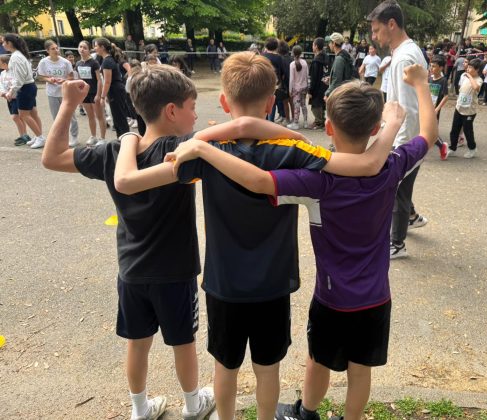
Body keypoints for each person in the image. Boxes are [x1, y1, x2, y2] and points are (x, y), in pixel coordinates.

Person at [114, 52, 404, 420]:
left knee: (225, 367)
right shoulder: (293, 151)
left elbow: (129, 182)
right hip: (273, 283)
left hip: (224, 284)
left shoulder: (205, 152)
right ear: (271, 102)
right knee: (268, 370)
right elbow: (363, 164)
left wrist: (134, 139)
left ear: (224, 102)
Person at [42, 64, 313, 420]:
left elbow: (59, 160)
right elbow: (247, 132)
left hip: (162, 276)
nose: (196, 115)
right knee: (220, 354)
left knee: (166, 351)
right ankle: (196, 404)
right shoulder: (195, 149)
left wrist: (75, 109)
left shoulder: (139, 152)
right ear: (172, 110)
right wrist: (286, 135)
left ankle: (145, 408)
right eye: (192, 107)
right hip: (214, 276)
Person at [369, 0, 428, 259]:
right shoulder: (405, 52)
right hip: (409, 138)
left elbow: (408, 109)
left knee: (395, 191)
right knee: (403, 189)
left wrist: (399, 151)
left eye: (376, 30)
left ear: (391, 24)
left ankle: (397, 243)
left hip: (405, 140)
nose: (374, 36)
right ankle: (411, 217)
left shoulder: (404, 56)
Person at [2, 33, 44, 147]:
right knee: (33, 113)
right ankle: (38, 136)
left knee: (23, 115)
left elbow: (19, 79)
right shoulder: (19, 54)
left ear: (9, 43)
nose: (3, 44)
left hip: (25, 88)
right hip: (29, 86)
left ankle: (40, 137)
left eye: (4, 42)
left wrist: (11, 91)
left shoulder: (15, 57)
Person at [38, 40, 79, 148]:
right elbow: (41, 77)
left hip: (65, 92)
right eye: (53, 49)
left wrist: (64, 80)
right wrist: (49, 79)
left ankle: (74, 136)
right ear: (47, 51)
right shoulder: (43, 62)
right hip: (52, 93)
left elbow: (71, 77)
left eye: (57, 48)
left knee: (71, 115)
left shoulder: (65, 62)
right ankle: (60, 137)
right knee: (56, 117)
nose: (56, 50)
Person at [94, 37, 130, 139]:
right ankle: (121, 138)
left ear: (102, 47)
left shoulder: (107, 61)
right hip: (115, 90)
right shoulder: (107, 59)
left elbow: (107, 81)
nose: (94, 48)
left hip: (115, 90)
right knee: (117, 116)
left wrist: (102, 97)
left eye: (96, 46)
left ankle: (124, 138)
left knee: (119, 116)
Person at [448, 58, 483, 158]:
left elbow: (476, 87)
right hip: (459, 108)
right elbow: (461, 89)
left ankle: (472, 149)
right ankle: (452, 148)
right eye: (468, 67)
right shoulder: (464, 76)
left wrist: (470, 76)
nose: (468, 69)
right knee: (454, 130)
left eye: (471, 67)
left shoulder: (478, 80)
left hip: (469, 111)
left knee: (468, 131)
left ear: (477, 70)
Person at [76, 40, 106, 146]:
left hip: (94, 93)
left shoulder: (94, 63)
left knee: (99, 116)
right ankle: (93, 136)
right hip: (85, 94)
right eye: (80, 47)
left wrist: (98, 94)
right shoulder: (78, 63)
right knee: (90, 116)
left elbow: (99, 80)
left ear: (89, 50)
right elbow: (79, 80)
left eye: (85, 48)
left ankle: (102, 138)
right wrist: (79, 94)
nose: (82, 49)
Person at [0, 54, 30, 146]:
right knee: (18, 118)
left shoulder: (14, 72)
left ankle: (24, 136)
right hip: (9, 99)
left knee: (15, 117)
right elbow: (1, 84)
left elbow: (16, 83)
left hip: (17, 97)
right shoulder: (2, 73)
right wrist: (3, 93)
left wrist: (10, 92)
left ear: (5, 63)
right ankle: (24, 135)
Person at [428, 54, 449, 160]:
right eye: (430, 66)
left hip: (434, 110)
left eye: (434, 66)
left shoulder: (443, 80)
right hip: (425, 108)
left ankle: (442, 146)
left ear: (441, 68)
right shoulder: (429, 79)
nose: (431, 68)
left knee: (431, 132)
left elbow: (446, 96)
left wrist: (437, 109)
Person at [262, 37, 286, 123]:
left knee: (264, 102)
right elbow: (282, 72)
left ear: (266, 46)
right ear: (276, 47)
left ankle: (264, 121)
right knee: (272, 103)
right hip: (275, 84)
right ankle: (270, 122)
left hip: (263, 83)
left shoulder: (262, 56)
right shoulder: (279, 58)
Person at [324, 32, 354, 99]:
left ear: (334, 43)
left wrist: (327, 94)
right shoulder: (345, 55)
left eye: (329, 42)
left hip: (340, 95)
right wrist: (330, 78)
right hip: (345, 91)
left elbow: (337, 80)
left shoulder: (339, 59)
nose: (329, 44)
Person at [308, 37, 329, 130]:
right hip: (325, 84)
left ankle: (319, 122)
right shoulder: (326, 57)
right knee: (322, 104)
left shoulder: (316, 61)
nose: (312, 46)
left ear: (316, 46)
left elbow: (313, 77)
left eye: (313, 44)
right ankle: (321, 120)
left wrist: (310, 90)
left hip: (317, 87)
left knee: (315, 106)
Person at [287, 45, 308, 130]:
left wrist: (290, 90)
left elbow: (291, 79)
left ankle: (296, 123)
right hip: (304, 86)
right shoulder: (305, 62)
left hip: (296, 88)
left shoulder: (292, 64)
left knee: (296, 106)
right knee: (303, 105)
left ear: (293, 53)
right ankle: (305, 122)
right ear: (301, 53)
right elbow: (307, 75)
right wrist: (307, 86)